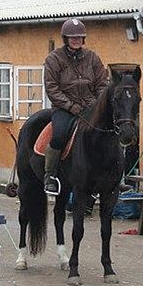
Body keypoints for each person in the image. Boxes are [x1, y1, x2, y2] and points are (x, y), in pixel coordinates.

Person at [43, 18, 108, 195]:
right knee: (59, 135)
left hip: (91, 107)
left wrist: (96, 104)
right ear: (65, 38)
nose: (76, 40)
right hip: (64, 109)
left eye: (79, 37)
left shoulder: (92, 57)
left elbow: (102, 83)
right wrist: (71, 107)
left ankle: (113, 176)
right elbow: (52, 88)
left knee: (110, 132)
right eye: (72, 37)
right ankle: (50, 175)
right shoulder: (54, 59)